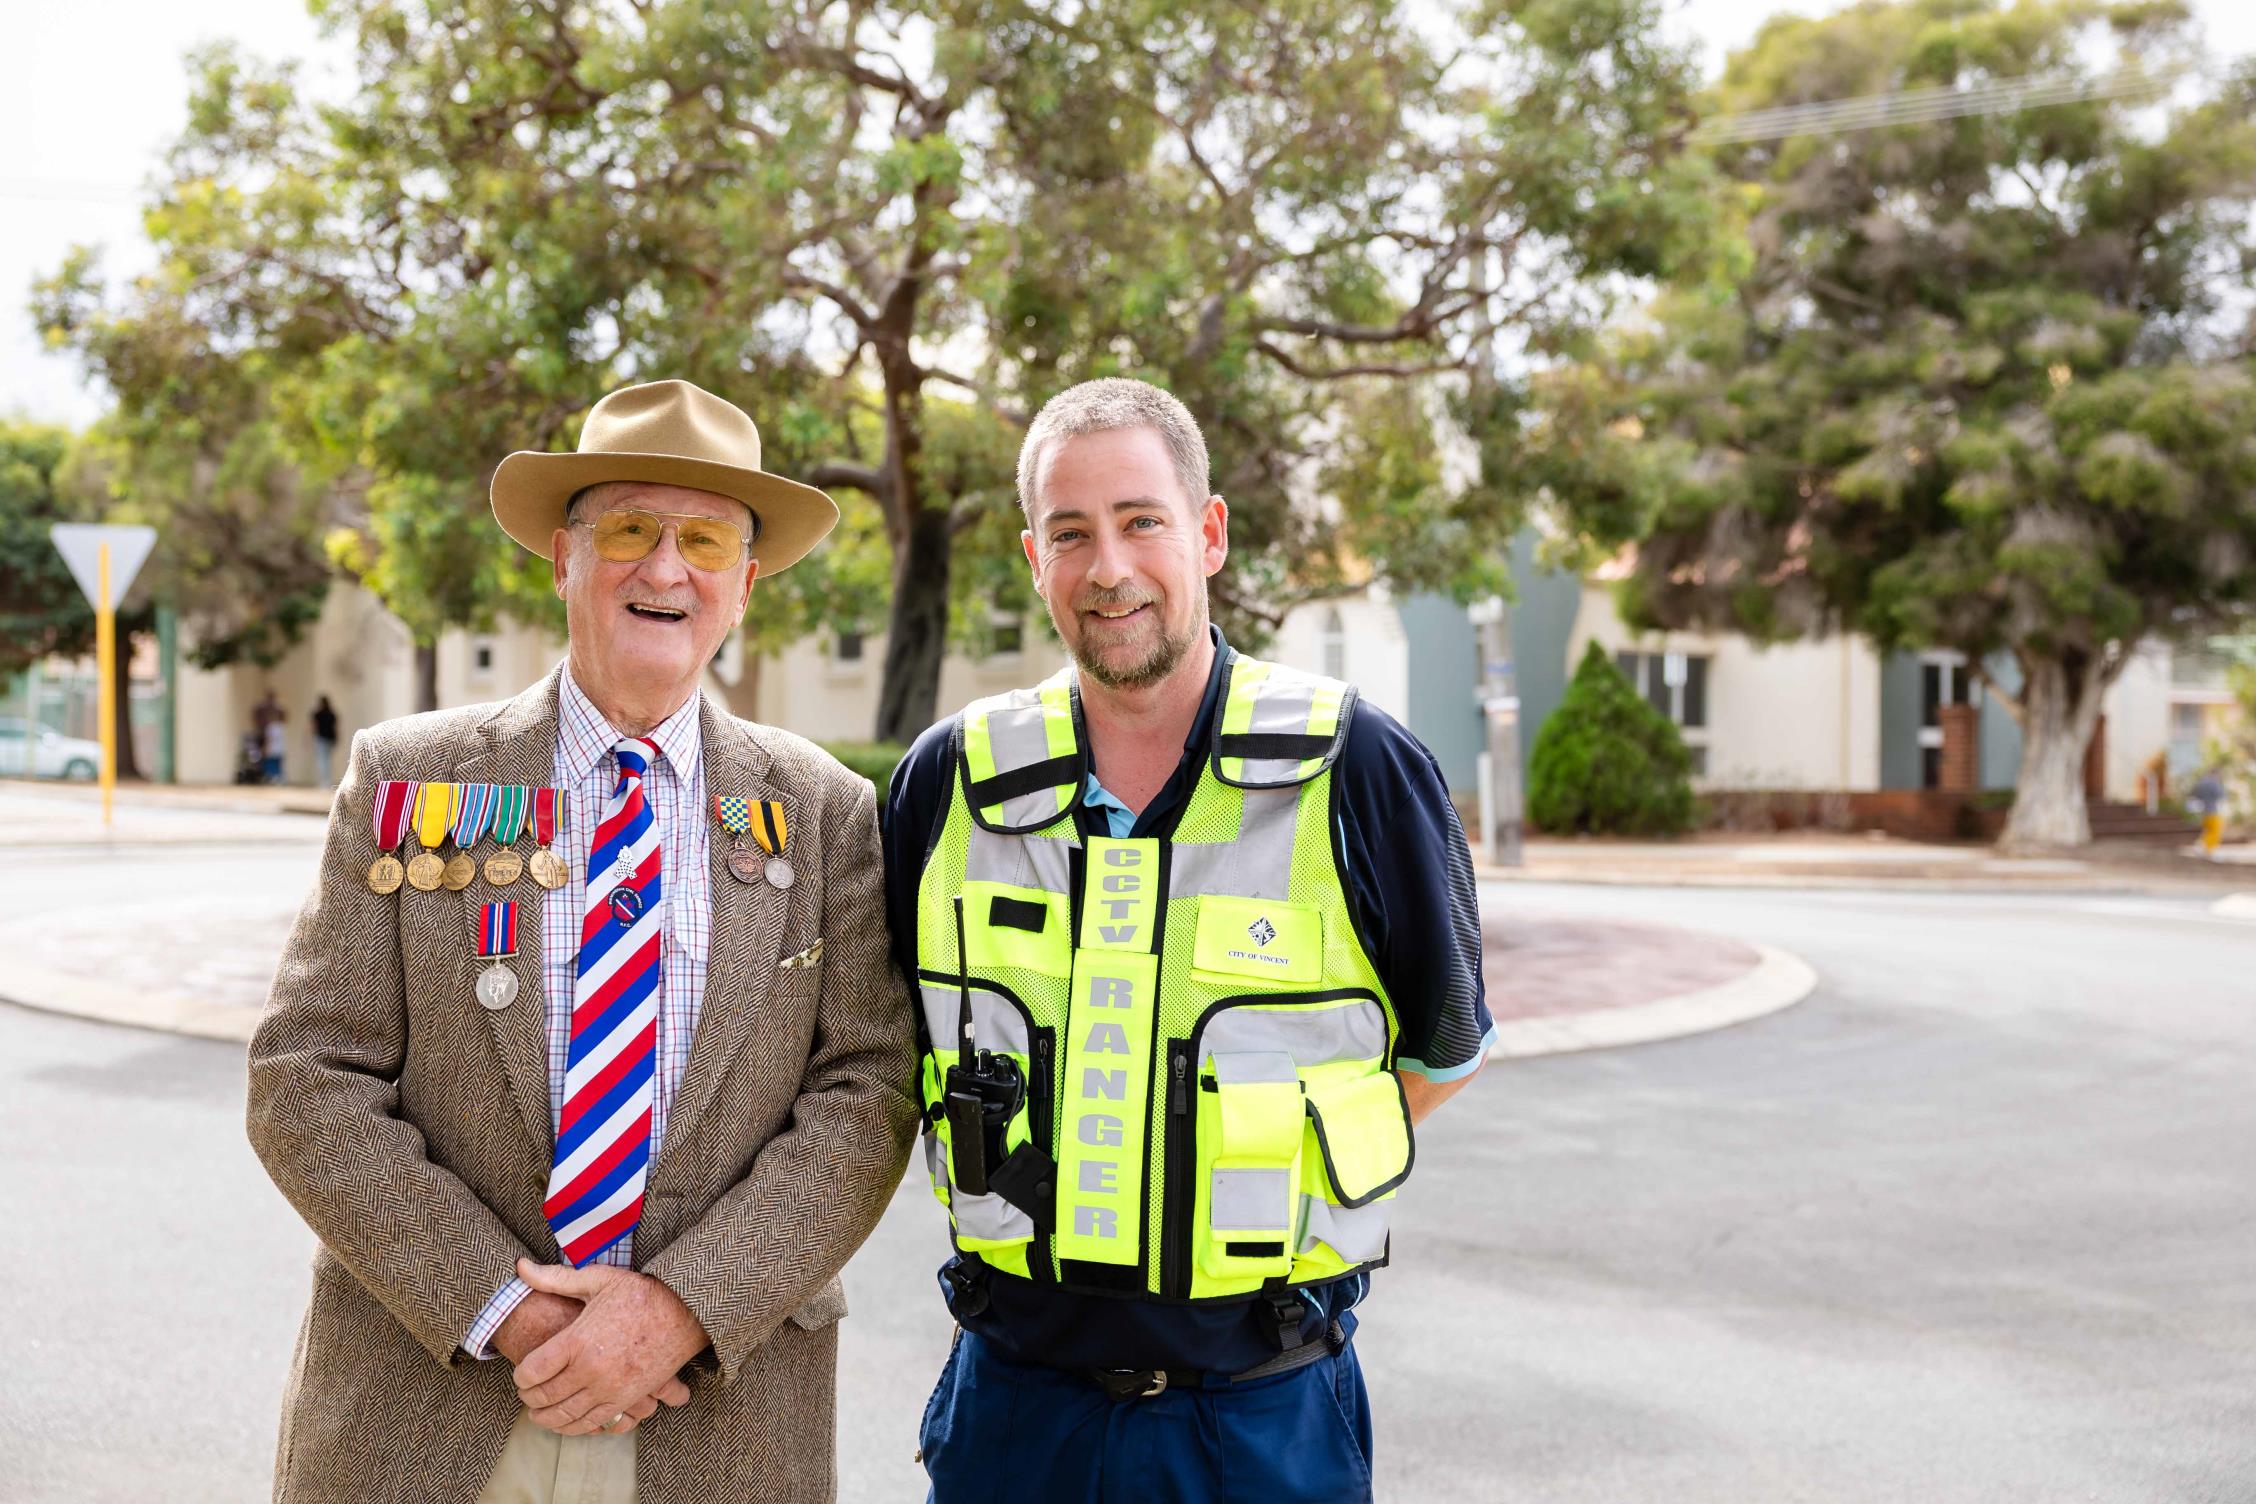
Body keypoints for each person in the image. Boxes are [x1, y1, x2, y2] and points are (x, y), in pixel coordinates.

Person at [246, 378, 918, 1503]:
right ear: (562, 557)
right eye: (628, 529)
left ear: (745, 585)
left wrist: (678, 1310)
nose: (665, 569)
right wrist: (505, 1307)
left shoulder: (827, 811)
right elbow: (304, 1077)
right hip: (429, 1406)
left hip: (717, 1421)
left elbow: (869, 1091)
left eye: (704, 539)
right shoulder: (410, 775)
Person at [881, 378, 1496, 1503]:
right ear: (1033, 558)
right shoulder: (946, 785)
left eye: (1141, 520)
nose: (1108, 566)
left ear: (1207, 534)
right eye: (1071, 533)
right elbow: (872, 1059)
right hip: (1014, 1412)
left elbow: (1443, 1052)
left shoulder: (1361, 769)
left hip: (1260, 1416)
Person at [311, 694, 340, 787]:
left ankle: (324, 781)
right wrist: (337, 738)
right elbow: (336, 728)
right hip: (330, 739)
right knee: (327, 760)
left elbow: (314, 727)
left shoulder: (317, 714)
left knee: (322, 760)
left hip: (321, 739)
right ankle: (327, 780)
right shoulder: (332, 714)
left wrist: (312, 737)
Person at [262, 709, 288, 784]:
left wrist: (265, 748)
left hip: (273, 748)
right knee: (279, 765)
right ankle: (280, 778)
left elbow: (269, 739)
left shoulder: (270, 727)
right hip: (281, 749)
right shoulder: (282, 727)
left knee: (271, 764)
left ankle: (274, 777)